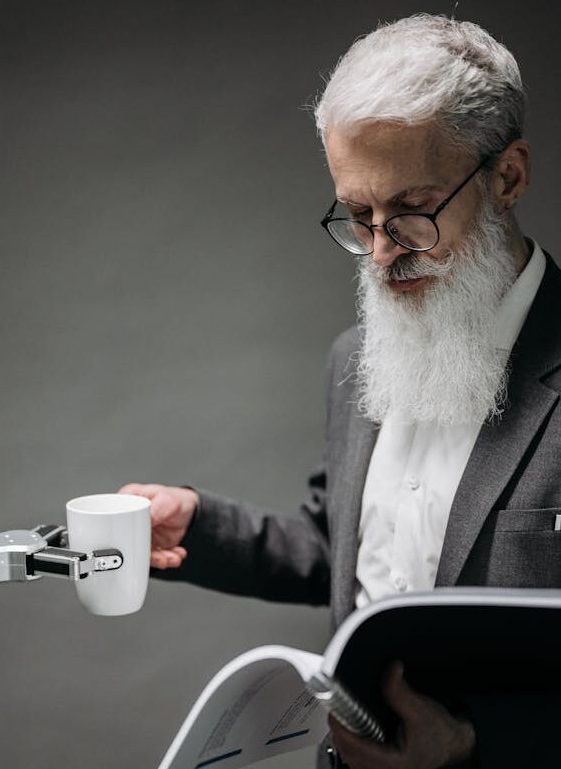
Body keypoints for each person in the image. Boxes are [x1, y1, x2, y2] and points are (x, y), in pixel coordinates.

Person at [120, 14, 561, 769]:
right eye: (359, 216)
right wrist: (200, 524)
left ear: (507, 177)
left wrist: (477, 745)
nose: (383, 252)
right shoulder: (355, 357)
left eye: (413, 210)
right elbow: (347, 547)